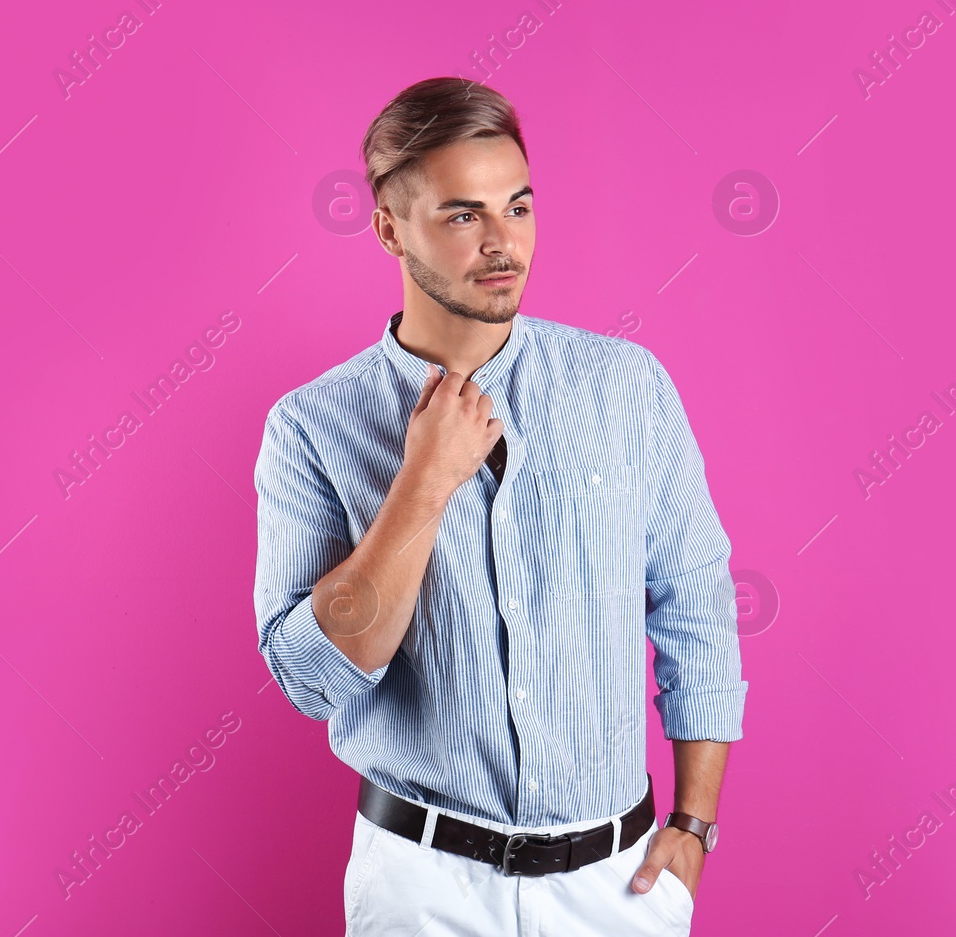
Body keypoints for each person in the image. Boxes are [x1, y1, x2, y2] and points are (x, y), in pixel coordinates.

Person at [253, 76, 746, 935]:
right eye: (461, 215)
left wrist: (695, 823)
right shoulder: (311, 426)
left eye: (516, 207)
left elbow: (695, 598)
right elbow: (312, 678)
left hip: (617, 886)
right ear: (388, 229)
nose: (501, 243)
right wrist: (423, 484)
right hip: (422, 887)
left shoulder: (626, 387)